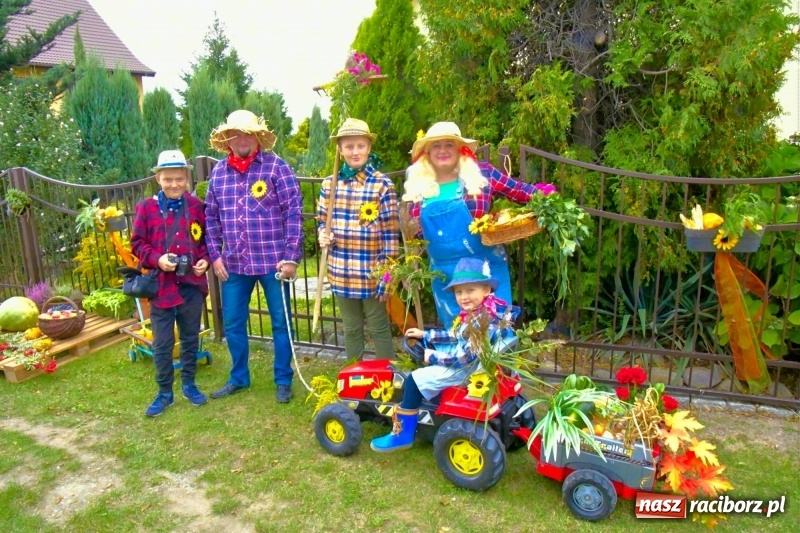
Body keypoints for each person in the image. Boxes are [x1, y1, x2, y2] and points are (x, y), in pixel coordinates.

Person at [403, 122, 555, 329]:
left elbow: (518, 190)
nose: (443, 150)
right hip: (446, 279)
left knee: (497, 333)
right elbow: (413, 237)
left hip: (485, 270)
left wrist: (548, 199)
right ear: (427, 153)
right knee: (457, 336)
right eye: (436, 146)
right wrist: (410, 270)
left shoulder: (482, 174)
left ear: (459, 149)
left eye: (449, 144)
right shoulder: (416, 189)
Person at [370, 257, 519, 452]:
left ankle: (402, 434)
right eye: (459, 292)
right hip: (473, 366)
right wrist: (426, 334)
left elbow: (464, 359)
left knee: (414, 380)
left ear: (486, 290)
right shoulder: (482, 313)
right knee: (430, 362)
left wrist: (432, 356)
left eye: (470, 290)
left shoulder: (480, 323)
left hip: (465, 371)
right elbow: (456, 335)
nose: (464, 296)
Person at [204, 110, 303, 403]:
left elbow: (294, 213)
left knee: (281, 323)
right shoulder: (218, 172)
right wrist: (214, 255)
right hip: (233, 264)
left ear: (258, 137)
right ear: (227, 139)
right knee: (233, 322)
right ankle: (239, 378)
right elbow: (210, 217)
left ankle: (283, 380)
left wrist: (291, 257)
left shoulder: (277, 168)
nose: (242, 138)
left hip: (274, 263)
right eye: (236, 133)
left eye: (248, 133)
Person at [131, 150, 211, 417]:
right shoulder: (146, 208)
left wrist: (205, 261)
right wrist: (156, 259)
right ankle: (165, 392)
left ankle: (189, 384)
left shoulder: (198, 206)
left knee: (189, 338)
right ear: (158, 178)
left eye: (179, 178)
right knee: (163, 343)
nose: (174, 184)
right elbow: (137, 244)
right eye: (168, 179)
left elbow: (206, 243)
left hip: (191, 284)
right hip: (161, 287)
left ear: (187, 177)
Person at [317, 118, 399, 360]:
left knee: (378, 327)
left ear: (369, 148)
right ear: (340, 150)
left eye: (360, 146)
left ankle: (387, 379)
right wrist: (324, 234)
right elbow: (323, 221)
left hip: (371, 273)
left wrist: (387, 275)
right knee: (351, 329)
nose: (355, 151)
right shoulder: (329, 184)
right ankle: (353, 379)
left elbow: (391, 236)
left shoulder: (383, 185)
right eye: (349, 146)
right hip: (341, 271)